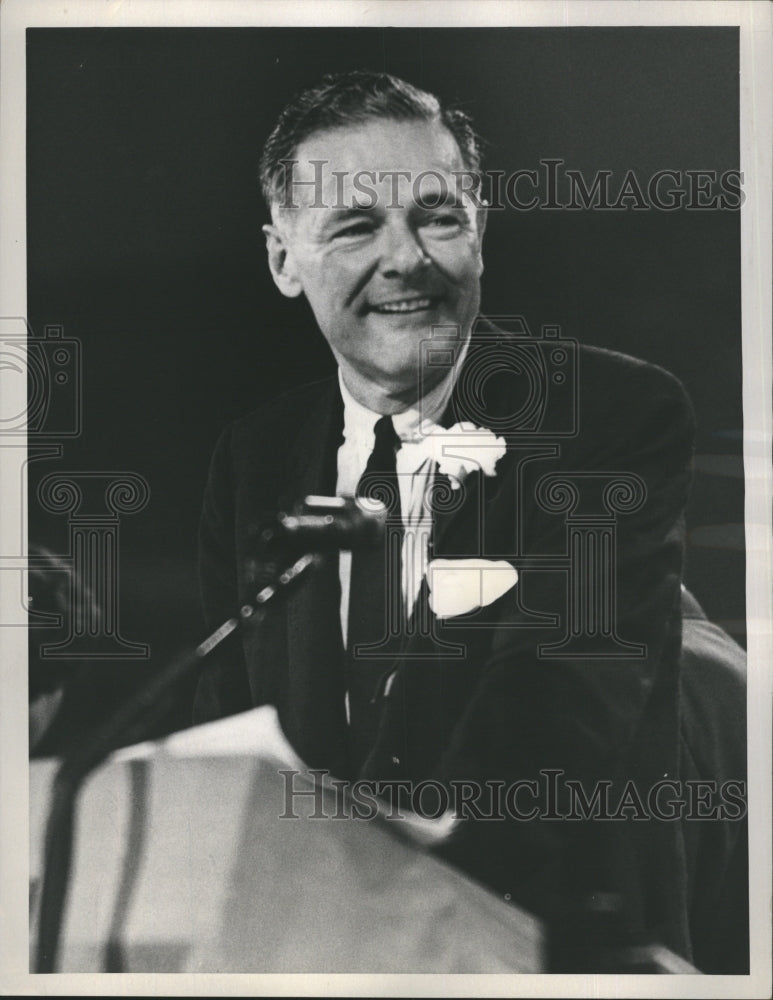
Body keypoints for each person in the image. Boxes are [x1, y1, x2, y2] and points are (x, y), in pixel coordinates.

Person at [193, 71, 747, 972]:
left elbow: (560, 704)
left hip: (541, 958)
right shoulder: (253, 459)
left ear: (478, 232)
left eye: (436, 216)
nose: (405, 258)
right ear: (282, 260)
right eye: (356, 226)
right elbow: (232, 735)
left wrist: (389, 907)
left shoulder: (606, 415)